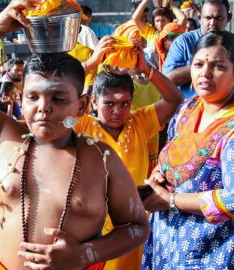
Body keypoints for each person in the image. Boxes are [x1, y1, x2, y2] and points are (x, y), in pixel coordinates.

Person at [0, 1, 150, 269]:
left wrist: (85, 254)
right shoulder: (3, 135)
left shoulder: (101, 158)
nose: (44, 107)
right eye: (32, 97)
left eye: (59, 98)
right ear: (21, 99)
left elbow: (137, 226)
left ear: (82, 106)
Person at [75, 37, 184, 270]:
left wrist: (147, 70)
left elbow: (175, 99)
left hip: (135, 222)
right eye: (109, 104)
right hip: (96, 224)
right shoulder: (82, 127)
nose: (118, 111)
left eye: (125, 103)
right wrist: (92, 64)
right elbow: (57, 98)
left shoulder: (139, 122)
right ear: (93, 102)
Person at [141, 30, 234, 269]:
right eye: (198, 64)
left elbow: (232, 199)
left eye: (218, 66)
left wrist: (171, 200)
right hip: (166, 242)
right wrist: (160, 172)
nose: (205, 73)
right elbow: (172, 151)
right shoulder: (188, 109)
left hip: (212, 250)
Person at [163, 0, 232, 99]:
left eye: (219, 18)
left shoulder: (232, 43)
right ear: (200, 18)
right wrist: (200, 66)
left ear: (229, 17)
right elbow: (167, 80)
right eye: (208, 18)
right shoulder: (183, 42)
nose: (212, 23)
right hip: (189, 110)